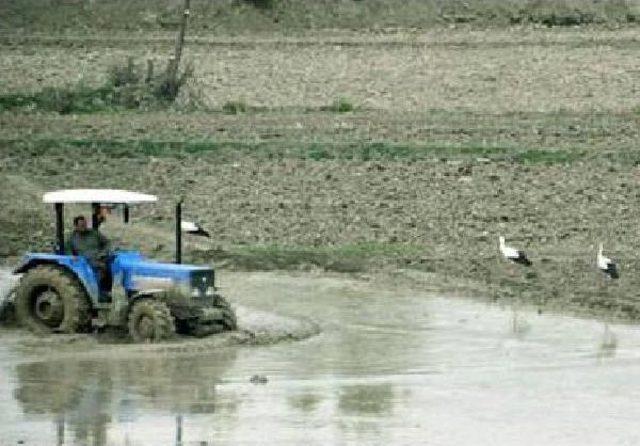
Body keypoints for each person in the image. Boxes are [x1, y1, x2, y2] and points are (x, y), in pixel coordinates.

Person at [69, 215, 112, 293]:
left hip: (99, 259)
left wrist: (103, 253)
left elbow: (107, 243)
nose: (84, 227)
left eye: (85, 224)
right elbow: (69, 253)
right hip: (84, 264)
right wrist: (73, 257)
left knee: (109, 266)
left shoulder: (94, 234)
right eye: (81, 225)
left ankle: (106, 292)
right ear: (76, 226)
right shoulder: (72, 239)